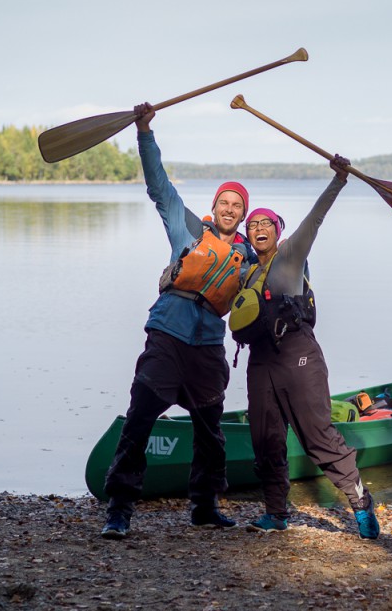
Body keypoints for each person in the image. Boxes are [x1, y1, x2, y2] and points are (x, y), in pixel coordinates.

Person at [100, 102, 254, 539]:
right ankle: (119, 508)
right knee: (140, 418)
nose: (229, 209)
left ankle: (204, 506)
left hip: (207, 346)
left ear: (242, 213)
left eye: (236, 205)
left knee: (211, 431)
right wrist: (145, 132)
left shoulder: (247, 258)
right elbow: (159, 184)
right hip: (168, 333)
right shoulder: (187, 230)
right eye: (223, 202)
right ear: (214, 206)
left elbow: (284, 270)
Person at [231, 155, 380, 539]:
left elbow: (315, 218)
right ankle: (276, 512)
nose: (258, 227)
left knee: (317, 435)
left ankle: (361, 504)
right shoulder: (245, 271)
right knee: (265, 439)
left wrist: (338, 182)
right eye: (253, 225)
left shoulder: (290, 255)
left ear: (277, 231)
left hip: (298, 355)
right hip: (261, 361)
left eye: (266, 223)